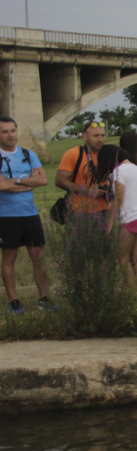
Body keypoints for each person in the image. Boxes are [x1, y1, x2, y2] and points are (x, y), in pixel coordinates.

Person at [0, 116, 51, 314]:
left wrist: (17, 182)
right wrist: (29, 181)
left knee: (37, 255)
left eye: (12, 130)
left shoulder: (28, 154)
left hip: (30, 213)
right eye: (4, 132)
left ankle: (44, 298)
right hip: (5, 215)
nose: (10, 135)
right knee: (10, 256)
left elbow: (43, 180)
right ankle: (14, 301)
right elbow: (2, 186)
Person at [113, 135, 137, 280]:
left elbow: (119, 197)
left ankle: (132, 292)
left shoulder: (119, 170)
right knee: (136, 257)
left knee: (123, 257)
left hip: (130, 217)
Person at [55, 120, 109, 216]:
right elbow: (60, 181)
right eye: (95, 136)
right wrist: (88, 192)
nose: (100, 139)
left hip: (106, 209)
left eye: (103, 135)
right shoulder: (73, 154)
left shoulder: (108, 154)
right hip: (80, 212)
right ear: (84, 136)